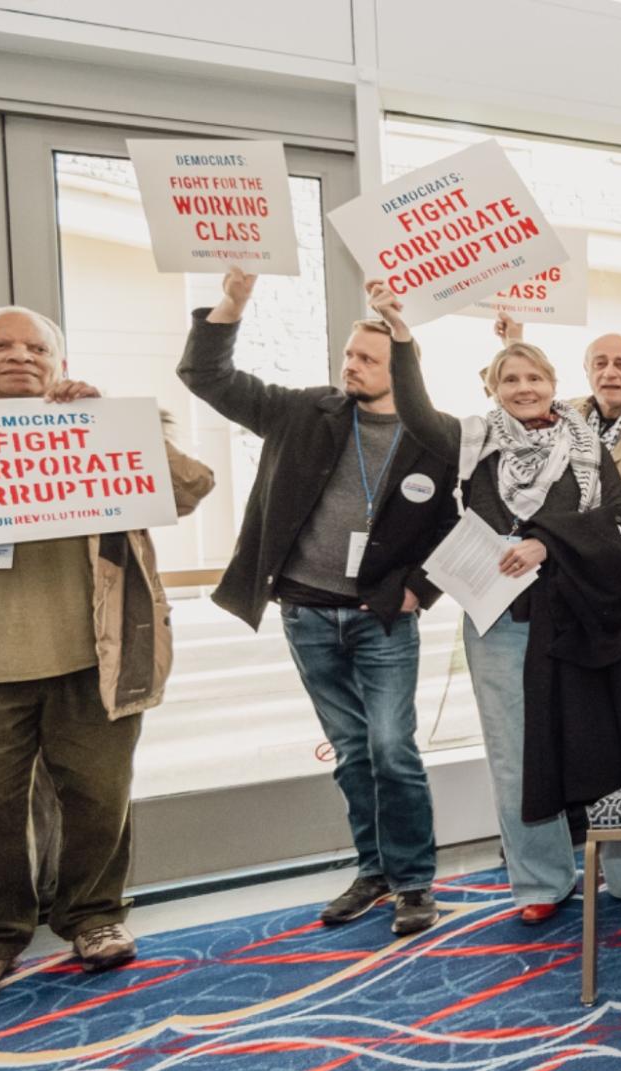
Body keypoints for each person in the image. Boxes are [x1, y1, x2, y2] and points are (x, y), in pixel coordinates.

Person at [178, 268, 459, 938]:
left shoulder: (437, 435)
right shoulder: (306, 411)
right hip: (305, 611)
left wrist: (421, 588)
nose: (351, 365)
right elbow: (207, 376)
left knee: (393, 747)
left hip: (383, 618)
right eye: (348, 356)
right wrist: (234, 302)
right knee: (351, 750)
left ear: (401, 363)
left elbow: (461, 524)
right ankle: (375, 870)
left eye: (368, 356)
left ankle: (414, 880)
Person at [371, 281, 621, 926]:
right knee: (515, 755)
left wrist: (546, 544)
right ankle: (539, 882)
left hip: (582, 620)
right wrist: (401, 333)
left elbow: (620, 522)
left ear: (553, 382)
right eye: (510, 379)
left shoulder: (586, 445)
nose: (524, 387)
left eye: (534, 376)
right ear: (493, 390)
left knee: (605, 744)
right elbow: (416, 414)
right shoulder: (474, 445)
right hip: (499, 623)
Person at [0, 305, 215, 1003]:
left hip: (96, 655)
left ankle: (93, 916)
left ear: (58, 362)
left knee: (99, 798)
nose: (18, 356)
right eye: (1, 345)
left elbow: (192, 487)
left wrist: (119, 423)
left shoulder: (96, 425)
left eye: (34, 347)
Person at [497, 313, 621, 683]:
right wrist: (512, 343)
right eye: (600, 364)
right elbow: (516, 402)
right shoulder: (563, 418)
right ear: (587, 371)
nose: (610, 373)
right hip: (571, 595)